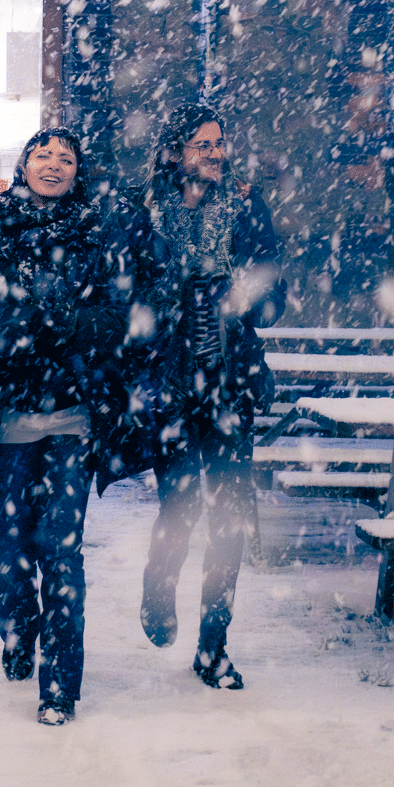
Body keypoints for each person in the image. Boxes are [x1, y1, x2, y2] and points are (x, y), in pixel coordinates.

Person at [0, 128, 132, 726]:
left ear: (80, 170)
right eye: (43, 155)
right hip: (6, 423)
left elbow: (118, 317)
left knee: (63, 551)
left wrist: (69, 324)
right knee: (12, 548)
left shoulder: (99, 237)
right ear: (23, 166)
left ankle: (60, 686)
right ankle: (18, 633)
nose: (54, 165)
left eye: (67, 157)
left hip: (73, 421)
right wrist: (25, 329)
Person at [131, 104, 286, 691]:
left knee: (228, 518)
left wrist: (242, 294)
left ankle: (213, 647)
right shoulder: (146, 212)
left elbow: (274, 297)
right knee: (180, 506)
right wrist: (169, 295)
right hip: (169, 386)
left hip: (229, 382)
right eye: (202, 144)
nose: (216, 152)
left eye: (220, 143)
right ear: (174, 152)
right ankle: (158, 583)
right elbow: (127, 290)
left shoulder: (246, 209)